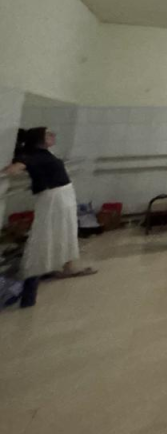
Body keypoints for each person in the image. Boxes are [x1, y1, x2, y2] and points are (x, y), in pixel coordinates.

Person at [2, 127, 96, 308]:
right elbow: (14, 169)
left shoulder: (45, 154)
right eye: (48, 134)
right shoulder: (32, 156)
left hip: (63, 195)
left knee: (66, 230)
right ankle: (35, 271)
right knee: (47, 232)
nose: (53, 136)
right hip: (53, 198)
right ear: (38, 138)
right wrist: (9, 170)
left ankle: (68, 266)